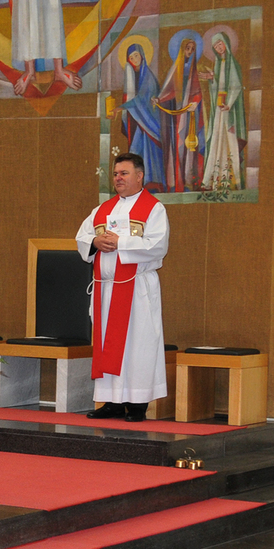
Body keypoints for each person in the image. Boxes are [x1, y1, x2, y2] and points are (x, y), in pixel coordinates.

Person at [75, 152, 168, 422]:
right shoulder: (102, 209)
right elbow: (82, 237)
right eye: (115, 174)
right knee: (108, 344)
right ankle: (112, 402)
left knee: (137, 345)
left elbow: (158, 245)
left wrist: (121, 243)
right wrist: (95, 242)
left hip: (136, 289)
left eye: (124, 173)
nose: (118, 178)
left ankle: (137, 404)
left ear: (139, 176)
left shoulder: (154, 209)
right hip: (106, 290)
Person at [157, 31, 205, 193]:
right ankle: (177, 181)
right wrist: (159, 99)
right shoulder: (175, 69)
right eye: (187, 48)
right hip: (178, 114)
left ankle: (191, 180)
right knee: (178, 145)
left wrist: (195, 102)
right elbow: (169, 91)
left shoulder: (195, 70)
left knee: (191, 146)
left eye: (192, 49)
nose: (189, 52)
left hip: (192, 114)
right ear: (181, 49)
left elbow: (200, 92)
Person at [200, 31, 246, 191]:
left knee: (229, 139)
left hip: (228, 109)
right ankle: (214, 179)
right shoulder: (218, 64)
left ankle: (232, 180)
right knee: (217, 139)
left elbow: (236, 86)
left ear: (226, 43)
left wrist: (230, 103)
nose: (219, 48)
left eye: (220, 44)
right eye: (215, 47)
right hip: (220, 109)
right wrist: (212, 79)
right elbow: (217, 87)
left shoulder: (232, 64)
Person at [118, 39, 166, 192]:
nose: (134, 60)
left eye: (136, 56)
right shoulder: (133, 75)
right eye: (131, 58)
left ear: (142, 55)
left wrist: (121, 107)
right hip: (140, 120)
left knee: (143, 150)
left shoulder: (148, 77)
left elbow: (140, 99)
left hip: (149, 121)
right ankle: (137, 184)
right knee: (136, 150)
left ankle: (152, 182)